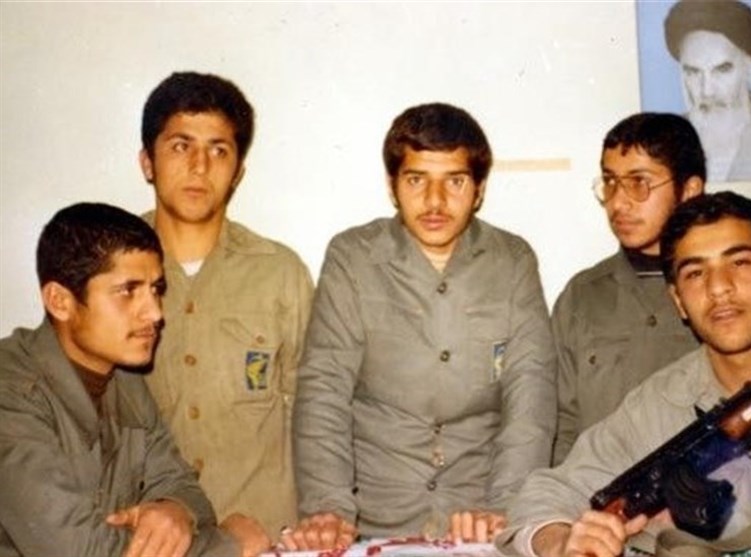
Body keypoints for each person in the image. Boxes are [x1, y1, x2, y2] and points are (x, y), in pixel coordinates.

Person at [284, 102, 557, 551]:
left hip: (478, 520)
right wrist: (328, 508)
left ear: (479, 189)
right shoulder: (353, 258)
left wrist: (507, 505)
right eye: (416, 180)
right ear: (392, 186)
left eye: (455, 181)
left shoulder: (512, 261)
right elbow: (324, 389)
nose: (435, 202)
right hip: (372, 517)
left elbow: (531, 393)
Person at [498, 191, 751, 557]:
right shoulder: (662, 399)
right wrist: (561, 541)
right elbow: (545, 495)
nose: (719, 287)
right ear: (678, 302)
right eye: (695, 273)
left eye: (739, 263)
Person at [0, 202, 260, 557]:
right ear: (60, 301)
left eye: (156, 289)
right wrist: (230, 544)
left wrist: (175, 511)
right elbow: (79, 551)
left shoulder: (125, 380)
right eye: (128, 291)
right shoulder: (10, 393)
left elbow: (185, 488)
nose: (155, 313)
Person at [138, 72, 314, 541]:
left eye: (218, 151)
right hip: (157, 541)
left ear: (237, 172)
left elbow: (316, 413)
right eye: (181, 146)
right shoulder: (110, 269)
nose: (199, 166)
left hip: (266, 535)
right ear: (147, 161)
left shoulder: (280, 273)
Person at [551, 112, 704, 465]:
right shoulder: (582, 296)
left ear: (689, 190)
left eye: (639, 182)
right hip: (599, 494)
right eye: (610, 182)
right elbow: (561, 425)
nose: (618, 202)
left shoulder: (728, 289)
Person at [664, 0, 751, 182]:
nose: (707, 91)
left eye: (722, 70)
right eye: (693, 72)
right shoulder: (665, 141)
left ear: (748, 68)